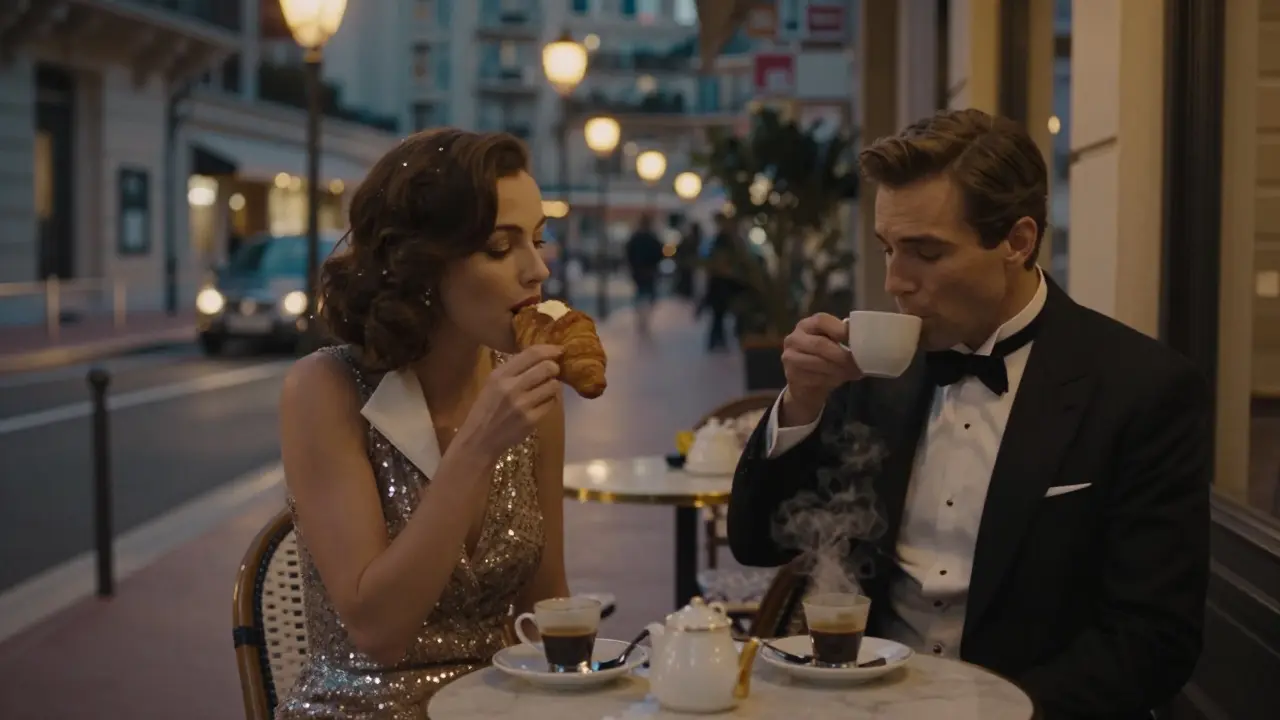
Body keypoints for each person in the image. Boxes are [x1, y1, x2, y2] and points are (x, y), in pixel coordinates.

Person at [727, 109, 1210, 720]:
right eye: (887, 248)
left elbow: (1153, 639)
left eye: (926, 253)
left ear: (1017, 241)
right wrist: (801, 402)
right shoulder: (876, 370)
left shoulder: (1141, 389)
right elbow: (756, 542)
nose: (897, 282)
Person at [275, 128, 570, 718]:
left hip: (498, 707)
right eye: (498, 247)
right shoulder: (326, 389)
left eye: (537, 240)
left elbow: (546, 603)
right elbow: (378, 629)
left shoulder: (534, 394)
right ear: (421, 265)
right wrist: (478, 446)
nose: (536, 269)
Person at [624, 214, 665, 333]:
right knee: (648, 294)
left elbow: (629, 253)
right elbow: (659, 253)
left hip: (641, 270)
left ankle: (642, 316)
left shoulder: (637, 238)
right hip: (647, 270)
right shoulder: (651, 238)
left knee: (642, 294)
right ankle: (643, 316)